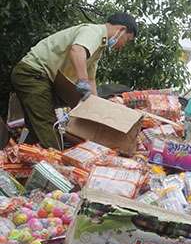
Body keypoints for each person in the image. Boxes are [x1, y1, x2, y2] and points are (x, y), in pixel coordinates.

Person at [11, 12, 138, 150]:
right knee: (46, 124)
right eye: (127, 39)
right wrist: (81, 80)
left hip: (39, 77)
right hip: (33, 73)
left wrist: (96, 107)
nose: (123, 44)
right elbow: (77, 50)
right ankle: (55, 164)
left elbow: (91, 80)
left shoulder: (98, 49)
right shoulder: (93, 31)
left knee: (36, 130)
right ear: (121, 30)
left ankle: (20, 161)